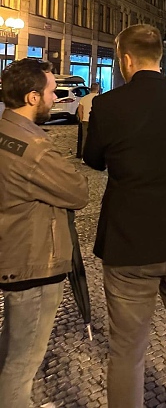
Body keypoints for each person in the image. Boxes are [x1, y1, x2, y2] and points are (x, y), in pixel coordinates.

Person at [83, 25, 166, 408]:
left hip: (130, 240)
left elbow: (93, 160)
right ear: (159, 57)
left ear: (125, 59)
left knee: (127, 347)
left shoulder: (108, 105)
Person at [0, 59, 88, 408]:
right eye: (51, 92)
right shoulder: (33, 147)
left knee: (11, 348)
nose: (56, 98)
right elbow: (77, 191)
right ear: (33, 97)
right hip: (34, 259)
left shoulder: (6, 131)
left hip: (14, 249)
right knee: (22, 362)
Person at [78, 82, 100, 154]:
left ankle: (84, 154)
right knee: (96, 138)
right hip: (96, 121)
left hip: (86, 120)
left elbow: (80, 110)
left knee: (85, 137)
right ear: (97, 89)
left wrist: (81, 118)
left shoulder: (84, 98)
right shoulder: (100, 98)